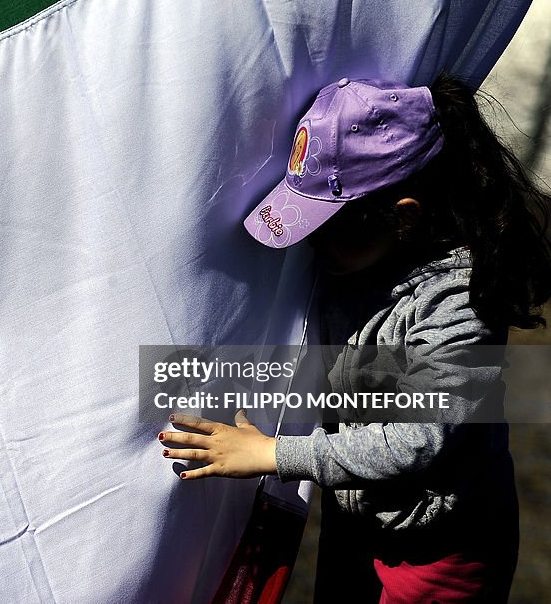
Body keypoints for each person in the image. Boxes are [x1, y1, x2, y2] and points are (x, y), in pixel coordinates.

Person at [158, 74, 551, 603]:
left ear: (404, 217)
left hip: (441, 552)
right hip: (359, 517)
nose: (312, 242)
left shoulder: (462, 302)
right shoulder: (360, 255)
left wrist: (271, 454)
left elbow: (418, 440)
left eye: (329, 225)